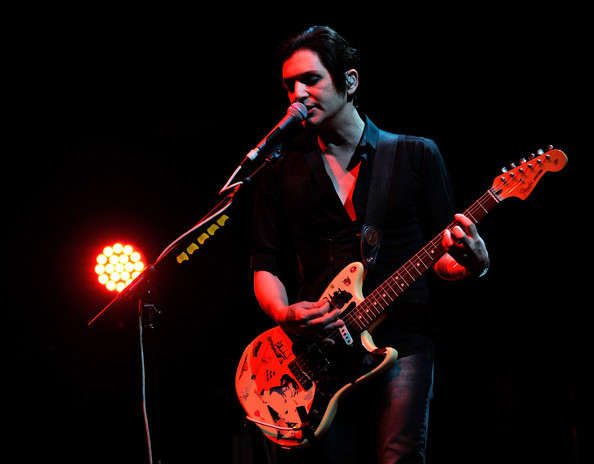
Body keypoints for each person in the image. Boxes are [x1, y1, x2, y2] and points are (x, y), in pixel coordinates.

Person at [250, 26, 490, 464]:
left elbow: (444, 258)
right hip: (319, 353)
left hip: (402, 340)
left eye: (311, 80)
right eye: (289, 85)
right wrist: (284, 314)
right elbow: (265, 261)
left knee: (398, 457)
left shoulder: (415, 155)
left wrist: (473, 263)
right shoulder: (278, 171)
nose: (297, 94)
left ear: (350, 81)